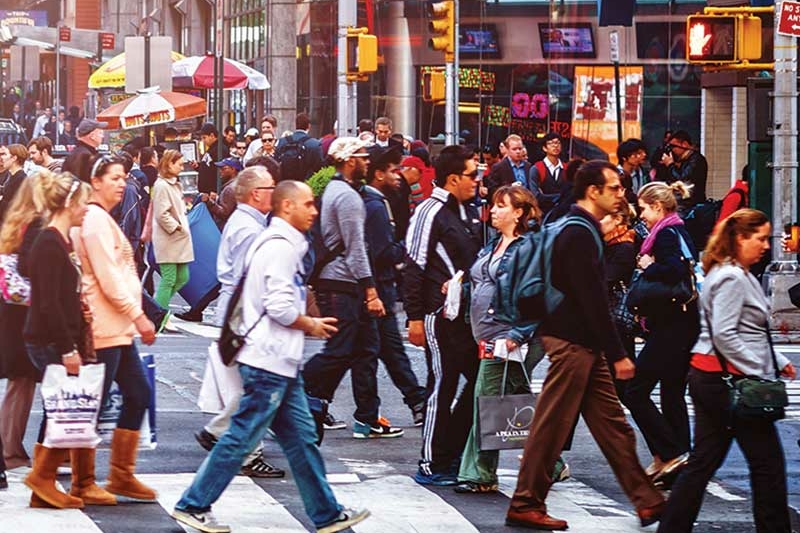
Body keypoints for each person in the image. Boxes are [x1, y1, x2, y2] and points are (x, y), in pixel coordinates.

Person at [172, 181, 370, 533]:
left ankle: (326, 513)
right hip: (267, 360)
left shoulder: (281, 242)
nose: (314, 211)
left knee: (301, 438)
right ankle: (193, 504)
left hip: (279, 361)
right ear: (287, 207)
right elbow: (277, 306)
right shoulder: (280, 247)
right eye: (308, 204)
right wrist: (309, 323)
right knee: (242, 437)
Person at [507, 160, 664, 531]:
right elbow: (592, 299)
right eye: (614, 188)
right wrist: (620, 354)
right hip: (571, 342)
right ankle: (525, 502)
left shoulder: (578, 226)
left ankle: (648, 502)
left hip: (581, 343)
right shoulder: (579, 232)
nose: (621, 193)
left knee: (613, 427)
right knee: (551, 427)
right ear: (593, 191)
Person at [657, 208, 797, 533]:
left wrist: (775, 361)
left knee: (704, 461)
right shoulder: (733, 277)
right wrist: (758, 371)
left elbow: (744, 331)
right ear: (739, 238)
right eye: (760, 238)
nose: (766, 245)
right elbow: (724, 334)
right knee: (768, 466)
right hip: (730, 381)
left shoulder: (732, 272)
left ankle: (672, 527)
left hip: (712, 377)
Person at [302, 137, 403, 439]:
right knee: (341, 348)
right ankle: (301, 394)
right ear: (349, 161)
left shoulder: (339, 190)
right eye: (362, 156)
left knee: (364, 347)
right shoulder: (346, 196)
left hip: (342, 281)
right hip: (341, 282)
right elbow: (356, 247)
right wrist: (371, 291)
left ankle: (330, 407)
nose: (367, 161)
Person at [72, 154, 158, 503]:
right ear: (96, 182)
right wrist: (138, 315)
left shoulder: (102, 219)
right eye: (114, 178)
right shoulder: (93, 220)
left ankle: (121, 475)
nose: (122, 183)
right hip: (105, 326)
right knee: (91, 404)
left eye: (124, 177)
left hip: (117, 328)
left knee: (136, 395)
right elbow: (108, 277)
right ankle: (82, 481)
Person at [194, 166, 286, 479]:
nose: (275, 191)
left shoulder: (249, 222)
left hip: (240, 314)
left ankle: (229, 436)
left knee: (252, 386)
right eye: (271, 187)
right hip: (244, 316)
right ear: (256, 194)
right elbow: (252, 279)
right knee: (256, 387)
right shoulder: (249, 229)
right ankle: (235, 442)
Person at [455, 185, 545, 494]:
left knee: (487, 399)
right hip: (491, 334)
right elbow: (479, 281)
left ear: (518, 213)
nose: (492, 211)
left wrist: (516, 336)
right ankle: (550, 463)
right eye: (493, 206)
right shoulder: (492, 244)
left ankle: (479, 473)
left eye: (501, 206)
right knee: (516, 401)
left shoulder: (528, 248)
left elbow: (539, 297)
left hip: (510, 337)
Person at [404, 145, 483, 486]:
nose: (477, 181)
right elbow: (413, 265)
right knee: (442, 385)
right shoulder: (429, 210)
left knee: (481, 382)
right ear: (453, 179)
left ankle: (449, 451)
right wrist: (415, 317)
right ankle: (431, 462)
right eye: (471, 175)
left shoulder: (467, 210)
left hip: (466, 316)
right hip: (439, 316)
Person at [23, 171, 95, 509]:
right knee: (59, 409)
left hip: (54, 336)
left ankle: (43, 485)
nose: (86, 209)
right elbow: (48, 302)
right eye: (82, 203)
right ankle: (42, 479)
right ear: (68, 204)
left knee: (59, 409)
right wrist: (68, 348)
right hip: (49, 339)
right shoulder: (50, 242)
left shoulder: (59, 240)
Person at [623, 181, 699, 487]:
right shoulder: (679, 229)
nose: (640, 215)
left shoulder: (666, 234)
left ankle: (670, 453)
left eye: (643, 208)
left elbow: (674, 270)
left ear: (657, 207)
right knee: (671, 393)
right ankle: (679, 460)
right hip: (683, 322)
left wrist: (647, 266)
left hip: (671, 324)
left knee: (636, 391)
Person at [363, 146, 426, 426]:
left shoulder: (383, 199)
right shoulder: (375, 205)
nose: (398, 175)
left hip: (379, 287)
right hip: (378, 287)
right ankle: (319, 400)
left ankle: (415, 400)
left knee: (383, 351)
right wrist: (407, 247)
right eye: (392, 170)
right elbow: (383, 253)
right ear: (378, 174)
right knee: (358, 354)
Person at [0, 178, 43, 472]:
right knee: (22, 379)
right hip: (23, 313)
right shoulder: (36, 224)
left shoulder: (17, 220)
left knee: (21, 380)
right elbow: (30, 266)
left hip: (12, 311)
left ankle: (11, 446)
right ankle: (10, 449)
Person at [151, 149, 194, 312]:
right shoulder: (162, 185)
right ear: (169, 164)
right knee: (169, 278)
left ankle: (158, 307)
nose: (182, 168)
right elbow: (161, 214)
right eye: (180, 164)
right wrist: (177, 227)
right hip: (169, 238)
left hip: (177, 238)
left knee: (182, 277)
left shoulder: (173, 184)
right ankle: (159, 312)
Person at [661, 130, 707, 210]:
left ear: (684, 144)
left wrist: (670, 165)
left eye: (673, 146)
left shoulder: (696, 159)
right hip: (684, 203)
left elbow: (682, 179)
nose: (672, 150)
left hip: (691, 205)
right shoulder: (685, 160)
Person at [274, 112, 324, 181]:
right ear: (309, 126)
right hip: (305, 184)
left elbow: (276, 163)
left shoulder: (282, 142)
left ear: (296, 125)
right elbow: (320, 169)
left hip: (286, 184)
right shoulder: (314, 144)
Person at [528, 132, 565, 215]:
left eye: (558, 143)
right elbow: (535, 195)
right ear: (544, 148)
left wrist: (546, 196)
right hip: (543, 213)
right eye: (551, 143)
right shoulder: (536, 168)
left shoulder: (566, 168)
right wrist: (559, 196)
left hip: (562, 213)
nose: (555, 146)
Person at [485, 134, 530, 202]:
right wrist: (510, 187)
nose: (518, 152)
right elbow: (492, 190)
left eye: (520, 149)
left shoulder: (528, 166)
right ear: (507, 150)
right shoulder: (499, 167)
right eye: (514, 149)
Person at [204, 157, 242, 227]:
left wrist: (209, 201)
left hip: (227, 226)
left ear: (233, 169)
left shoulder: (230, 188)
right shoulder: (240, 183)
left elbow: (224, 214)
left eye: (223, 168)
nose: (220, 171)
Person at [0, 144, 27, 223]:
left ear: (14, 158)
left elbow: (15, 207)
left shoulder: (21, 179)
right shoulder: (12, 177)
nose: (2, 159)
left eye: (5, 154)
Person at [191, 123, 220, 194]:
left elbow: (218, 171)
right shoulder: (211, 149)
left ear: (212, 135)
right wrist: (198, 166)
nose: (203, 141)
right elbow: (208, 166)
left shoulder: (219, 149)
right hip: (206, 193)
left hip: (211, 193)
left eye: (204, 137)